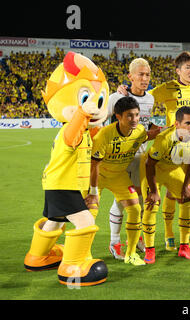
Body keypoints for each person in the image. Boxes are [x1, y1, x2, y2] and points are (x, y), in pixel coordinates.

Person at [24, 52, 109, 286]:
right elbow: (74, 133)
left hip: (58, 184)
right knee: (86, 224)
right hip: (62, 186)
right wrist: (83, 112)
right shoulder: (68, 131)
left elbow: (91, 137)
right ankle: (72, 266)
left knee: (55, 220)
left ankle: (37, 256)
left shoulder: (84, 133)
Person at [119, 51, 190, 251]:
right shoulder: (167, 88)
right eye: (187, 67)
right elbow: (141, 96)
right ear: (178, 71)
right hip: (172, 150)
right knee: (170, 194)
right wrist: (123, 91)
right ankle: (169, 235)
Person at [85, 96, 152, 266]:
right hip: (98, 177)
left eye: (137, 115)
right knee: (89, 215)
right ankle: (83, 255)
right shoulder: (104, 135)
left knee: (136, 209)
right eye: (129, 115)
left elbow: (146, 136)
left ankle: (129, 253)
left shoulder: (140, 131)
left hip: (119, 176)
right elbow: (94, 166)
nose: (135, 119)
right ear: (118, 116)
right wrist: (92, 192)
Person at [106, 58, 156, 260]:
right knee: (124, 199)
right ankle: (114, 242)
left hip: (140, 157)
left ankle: (136, 238)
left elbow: (144, 123)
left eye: (148, 75)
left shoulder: (151, 99)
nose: (145, 78)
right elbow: (105, 121)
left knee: (141, 200)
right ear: (130, 77)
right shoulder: (116, 98)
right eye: (141, 74)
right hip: (119, 157)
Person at [141, 106, 190, 263]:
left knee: (188, 199)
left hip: (173, 169)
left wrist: (186, 186)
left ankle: (184, 247)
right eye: (188, 123)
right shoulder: (164, 139)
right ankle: (149, 250)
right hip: (153, 170)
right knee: (151, 204)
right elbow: (149, 164)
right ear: (177, 124)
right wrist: (154, 191)